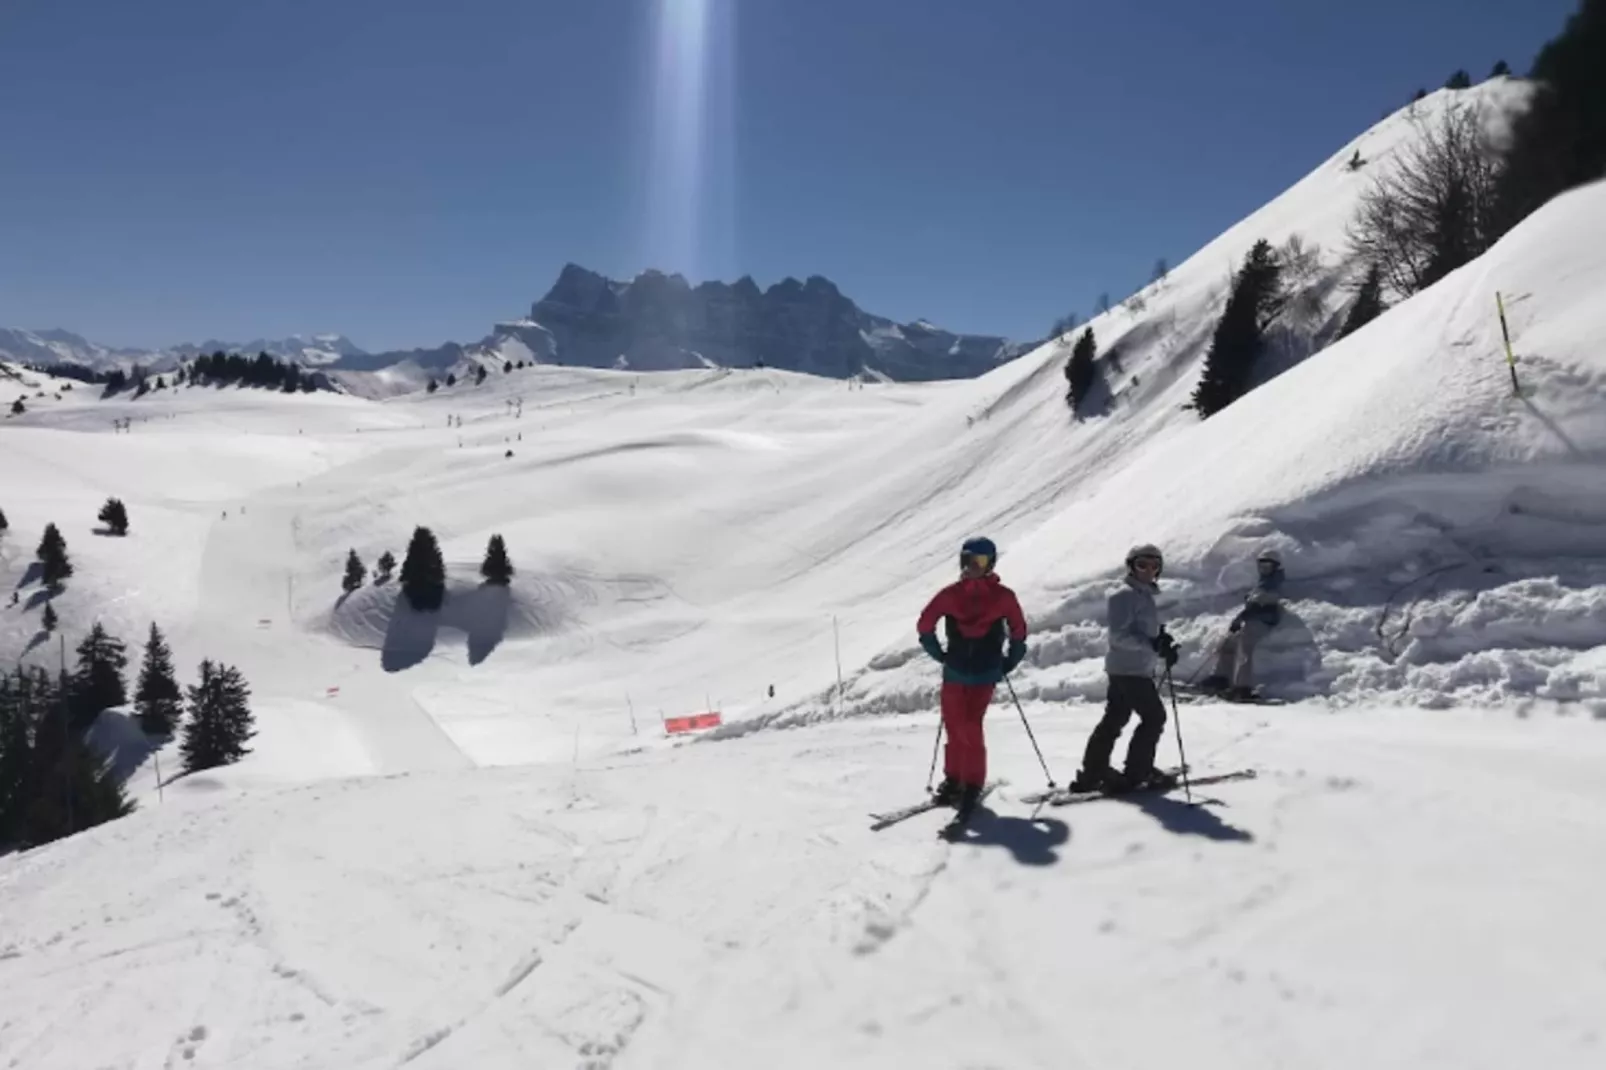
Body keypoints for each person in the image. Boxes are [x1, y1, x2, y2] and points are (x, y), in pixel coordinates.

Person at [916, 536, 1028, 823]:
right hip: (955, 672)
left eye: (978, 562)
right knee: (954, 724)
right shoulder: (951, 594)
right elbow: (925, 625)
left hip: (984, 673)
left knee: (969, 725)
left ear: (990, 564)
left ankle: (972, 783)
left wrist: (1010, 661)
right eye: (967, 561)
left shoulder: (1003, 596)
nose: (971, 567)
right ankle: (954, 779)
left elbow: (1018, 630)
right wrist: (938, 655)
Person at [1069, 543, 1180, 793]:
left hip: (1131, 668)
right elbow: (1119, 636)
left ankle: (1094, 772)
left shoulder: (1143, 596)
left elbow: (1140, 631)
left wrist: (1161, 641)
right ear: (1131, 566)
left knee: (1115, 718)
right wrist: (1153, 644)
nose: (1149, 570)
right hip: (1129, 670)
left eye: (1155, 565)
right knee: (1153, 718)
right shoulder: (1124, 595)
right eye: (1142, 564)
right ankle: (1137, 772)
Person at [1200, 548, 1285, 701]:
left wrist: (1240, 618)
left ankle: (1242, 687)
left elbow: (1258, 604)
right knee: (1229, 642)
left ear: (1276, 567)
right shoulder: (1264, 582)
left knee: (1245, 648)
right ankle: (1221, 677)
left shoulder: (1274, 582)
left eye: (1268, 566)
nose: (1264, 569)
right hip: (1253, 620)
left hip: (1263, 621)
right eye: (1262, 565)